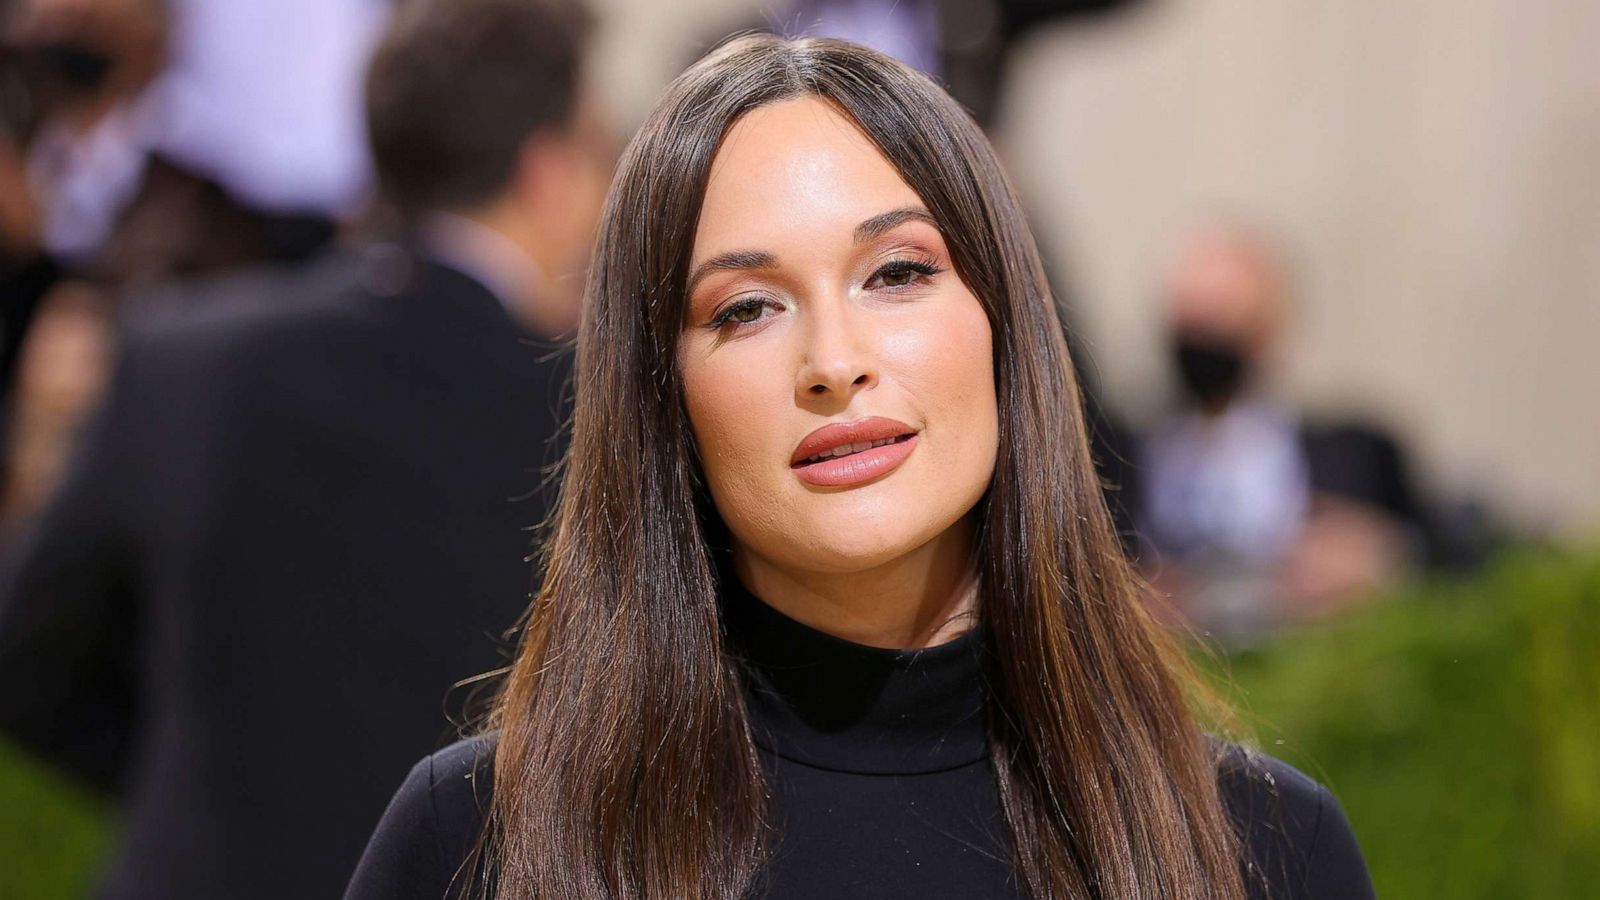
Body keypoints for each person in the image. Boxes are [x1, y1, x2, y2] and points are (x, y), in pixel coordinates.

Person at [346, 35, 1374, 900]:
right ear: (660, 395)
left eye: (897, 273)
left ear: (1005, 325)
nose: (835, 363)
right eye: (744, 308)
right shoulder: (478, 841)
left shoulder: (1258, 849)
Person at [0, 0, 609, 897]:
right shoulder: (589, 416)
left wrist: (189, 774)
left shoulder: (178, 362)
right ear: (548, 171)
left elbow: (29, 656)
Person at [1135, 225, 1433, 640]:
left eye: (1224, 321)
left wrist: (1383, 557)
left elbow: (1447, 554)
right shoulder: (1122, 457)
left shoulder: (1357, 453)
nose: (1205, 344)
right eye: (1193, 324)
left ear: (1268, 328)